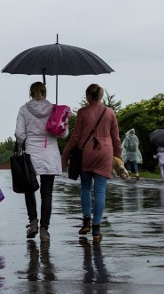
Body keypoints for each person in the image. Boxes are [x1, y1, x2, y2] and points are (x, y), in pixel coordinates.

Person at [61, 83, 122, 244]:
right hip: (105, 153)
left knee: (86, 187)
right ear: (101, 96)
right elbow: (116, 138)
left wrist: (65, 155)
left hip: (86, 152)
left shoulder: (82, 112)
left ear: (88, 95)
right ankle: (96, 228)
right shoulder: (110, 112)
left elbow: (75, 137)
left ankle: (86, 222)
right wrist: (118, 157)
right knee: (100, 190)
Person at [15, 81, 68, 241]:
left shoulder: (24, 109)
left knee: (29, 190)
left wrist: (23, 144)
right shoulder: (54, 109)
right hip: (50, 153)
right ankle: (44, 230)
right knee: (47, 194)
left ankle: (33, 223)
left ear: (30, 93)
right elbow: (63, 134)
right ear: (45, 92)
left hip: (31, 153)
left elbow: (19, 134)